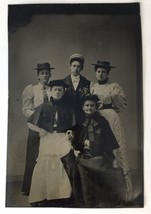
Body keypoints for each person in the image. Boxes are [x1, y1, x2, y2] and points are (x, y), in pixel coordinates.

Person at [27, 80, 78, 207]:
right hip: (48, 137)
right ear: (50, 91)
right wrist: (41, 130)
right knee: (45, 161)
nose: (57, 92)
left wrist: (70, 133)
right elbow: (30, 122)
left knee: (63, 162)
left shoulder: (68, 108)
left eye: (60, 90)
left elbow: (73, 126)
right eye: (55, 89)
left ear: (63, 92)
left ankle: (61, 195)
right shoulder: (44, 106)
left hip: (61, 137)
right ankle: (42, 195)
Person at [72, 94, 126, 208]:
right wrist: (74, 141)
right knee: (80, 167)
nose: (89, 108)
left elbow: (109, 141)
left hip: (100, 157)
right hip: (85, 157)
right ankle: (87, 201)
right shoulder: (79, 122)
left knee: (103, 168)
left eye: (92, 106)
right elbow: (77, 144)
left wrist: (107, 156)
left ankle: (102, 201)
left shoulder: (102, 121)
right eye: (87, 105)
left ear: (96, 107)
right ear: (83, 107)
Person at [90, 60, 132, 192]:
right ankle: (100, 185)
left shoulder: (113, 87)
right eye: (99, 71)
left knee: (115, 146)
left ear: (107, 74)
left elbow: (122, 106)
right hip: (96, 117)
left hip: (110, 118)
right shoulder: (92, 87)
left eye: (103, 72)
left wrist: (112, 99)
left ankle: (120, 184)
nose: (101, 74)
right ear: (95, 73)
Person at [22, 62, 54, 195]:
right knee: (33, 156)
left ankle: (47, 187)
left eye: (47, 73)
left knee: (48, 155)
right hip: (36, 125)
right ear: (38, 76)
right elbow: (26, 109)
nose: (45, 75)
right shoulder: (32, 89)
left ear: (50, 75)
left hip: (50, 126)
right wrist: (36, 116)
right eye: (42, 73)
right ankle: (29, 188)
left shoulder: (53, 89)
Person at [63, 54, 90, 124]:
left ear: (82, 68)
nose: (76, 68)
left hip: (82, 117)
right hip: (66, 117)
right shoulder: (62, 82)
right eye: (74, 66)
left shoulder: (87, 83)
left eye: (78, 66)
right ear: (70, 67)